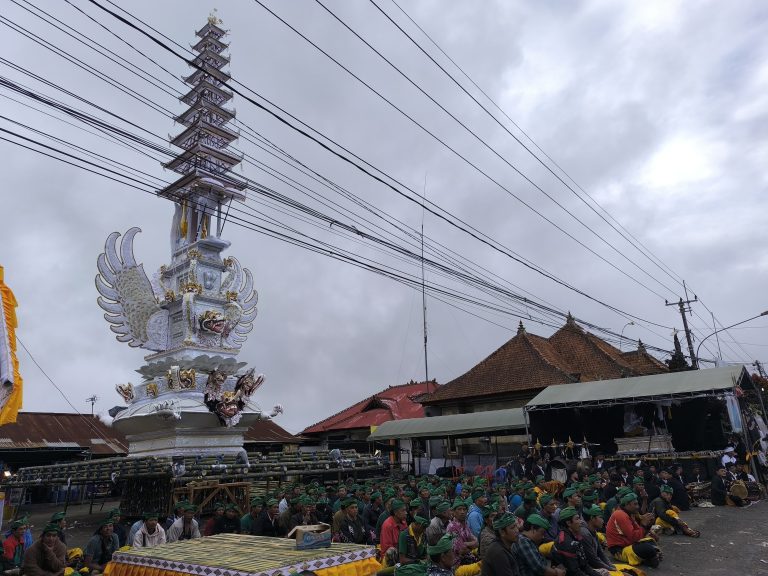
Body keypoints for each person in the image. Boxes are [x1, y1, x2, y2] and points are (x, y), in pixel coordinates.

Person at [605, 492, 660, 568]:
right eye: (635, 504)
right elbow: (634, 537)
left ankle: (649, 556)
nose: (637, 506)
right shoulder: (620, 514)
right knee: (648, 548)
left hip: (628, 544)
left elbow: (639, 533)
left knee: (650, 541)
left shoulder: (629, 513)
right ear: (627, 504)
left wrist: (648, 524)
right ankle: (651, 557)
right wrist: (644, 525)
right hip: (619, 550)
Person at [552, 507, 601, 576]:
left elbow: (584, 565)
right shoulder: (566, 542)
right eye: (577, 519)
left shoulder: (575, 535)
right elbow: (574, 572)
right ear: (568, 523)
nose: (581, 521)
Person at [579, 505, 615, 574]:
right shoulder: (584, 534)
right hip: (587, 569)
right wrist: (610, 569)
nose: (603, 520)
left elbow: (600, 552)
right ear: (592, 518)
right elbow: (593, 560)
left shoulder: (593, 530)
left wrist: (611, 566)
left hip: (595, 566)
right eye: (600, 517)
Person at [446, 499, 478, 566]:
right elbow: (461, 550)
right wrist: (470, 545)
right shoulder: (452, 527)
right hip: (457, 563)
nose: (462, 512)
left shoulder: (465, 524)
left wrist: (466, 544)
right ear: (453, 512)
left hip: (467, 558)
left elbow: (476, 542)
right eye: (459, 509)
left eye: (464, 509)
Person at [380, 499, 408, 565]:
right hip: (391, 558)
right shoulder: (387, 525)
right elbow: (387, 548)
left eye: (405, 510)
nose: (406, 513)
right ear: (395, 512)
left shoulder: (403, 522)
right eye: (403, 510)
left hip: (402, 552)